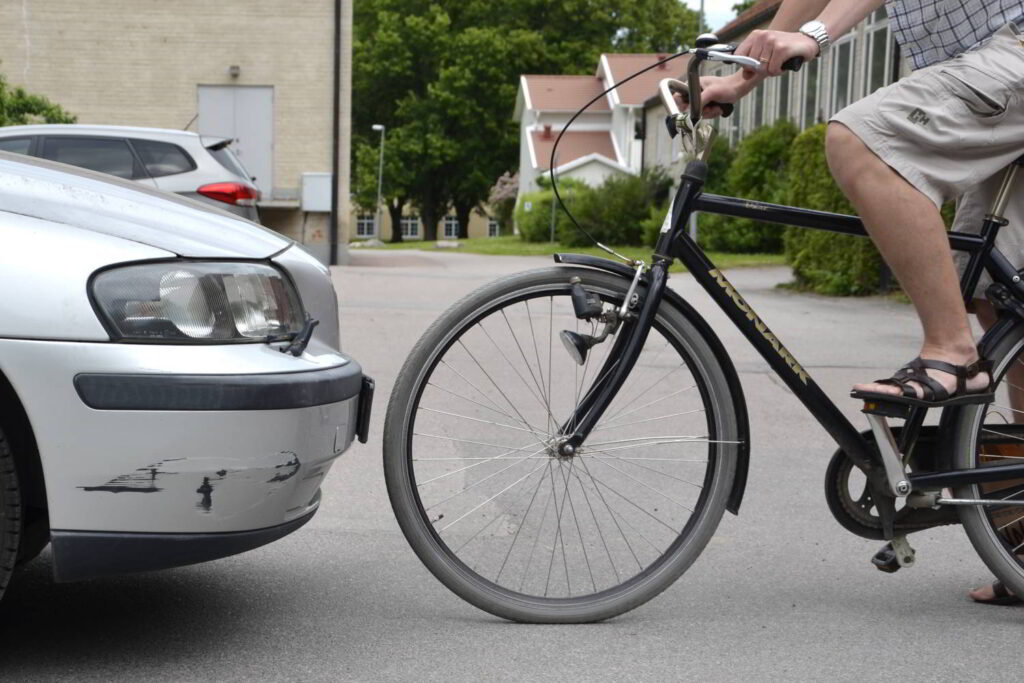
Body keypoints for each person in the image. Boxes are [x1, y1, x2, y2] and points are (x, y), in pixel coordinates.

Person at [695, 0, 1024, 604]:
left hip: (1014, 49)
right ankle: (1023, 537)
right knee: (999, 300)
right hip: (986, 65)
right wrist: (746, 76)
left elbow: (819, 17)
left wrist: (815, 37)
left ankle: (952, 354)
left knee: (863, 139)